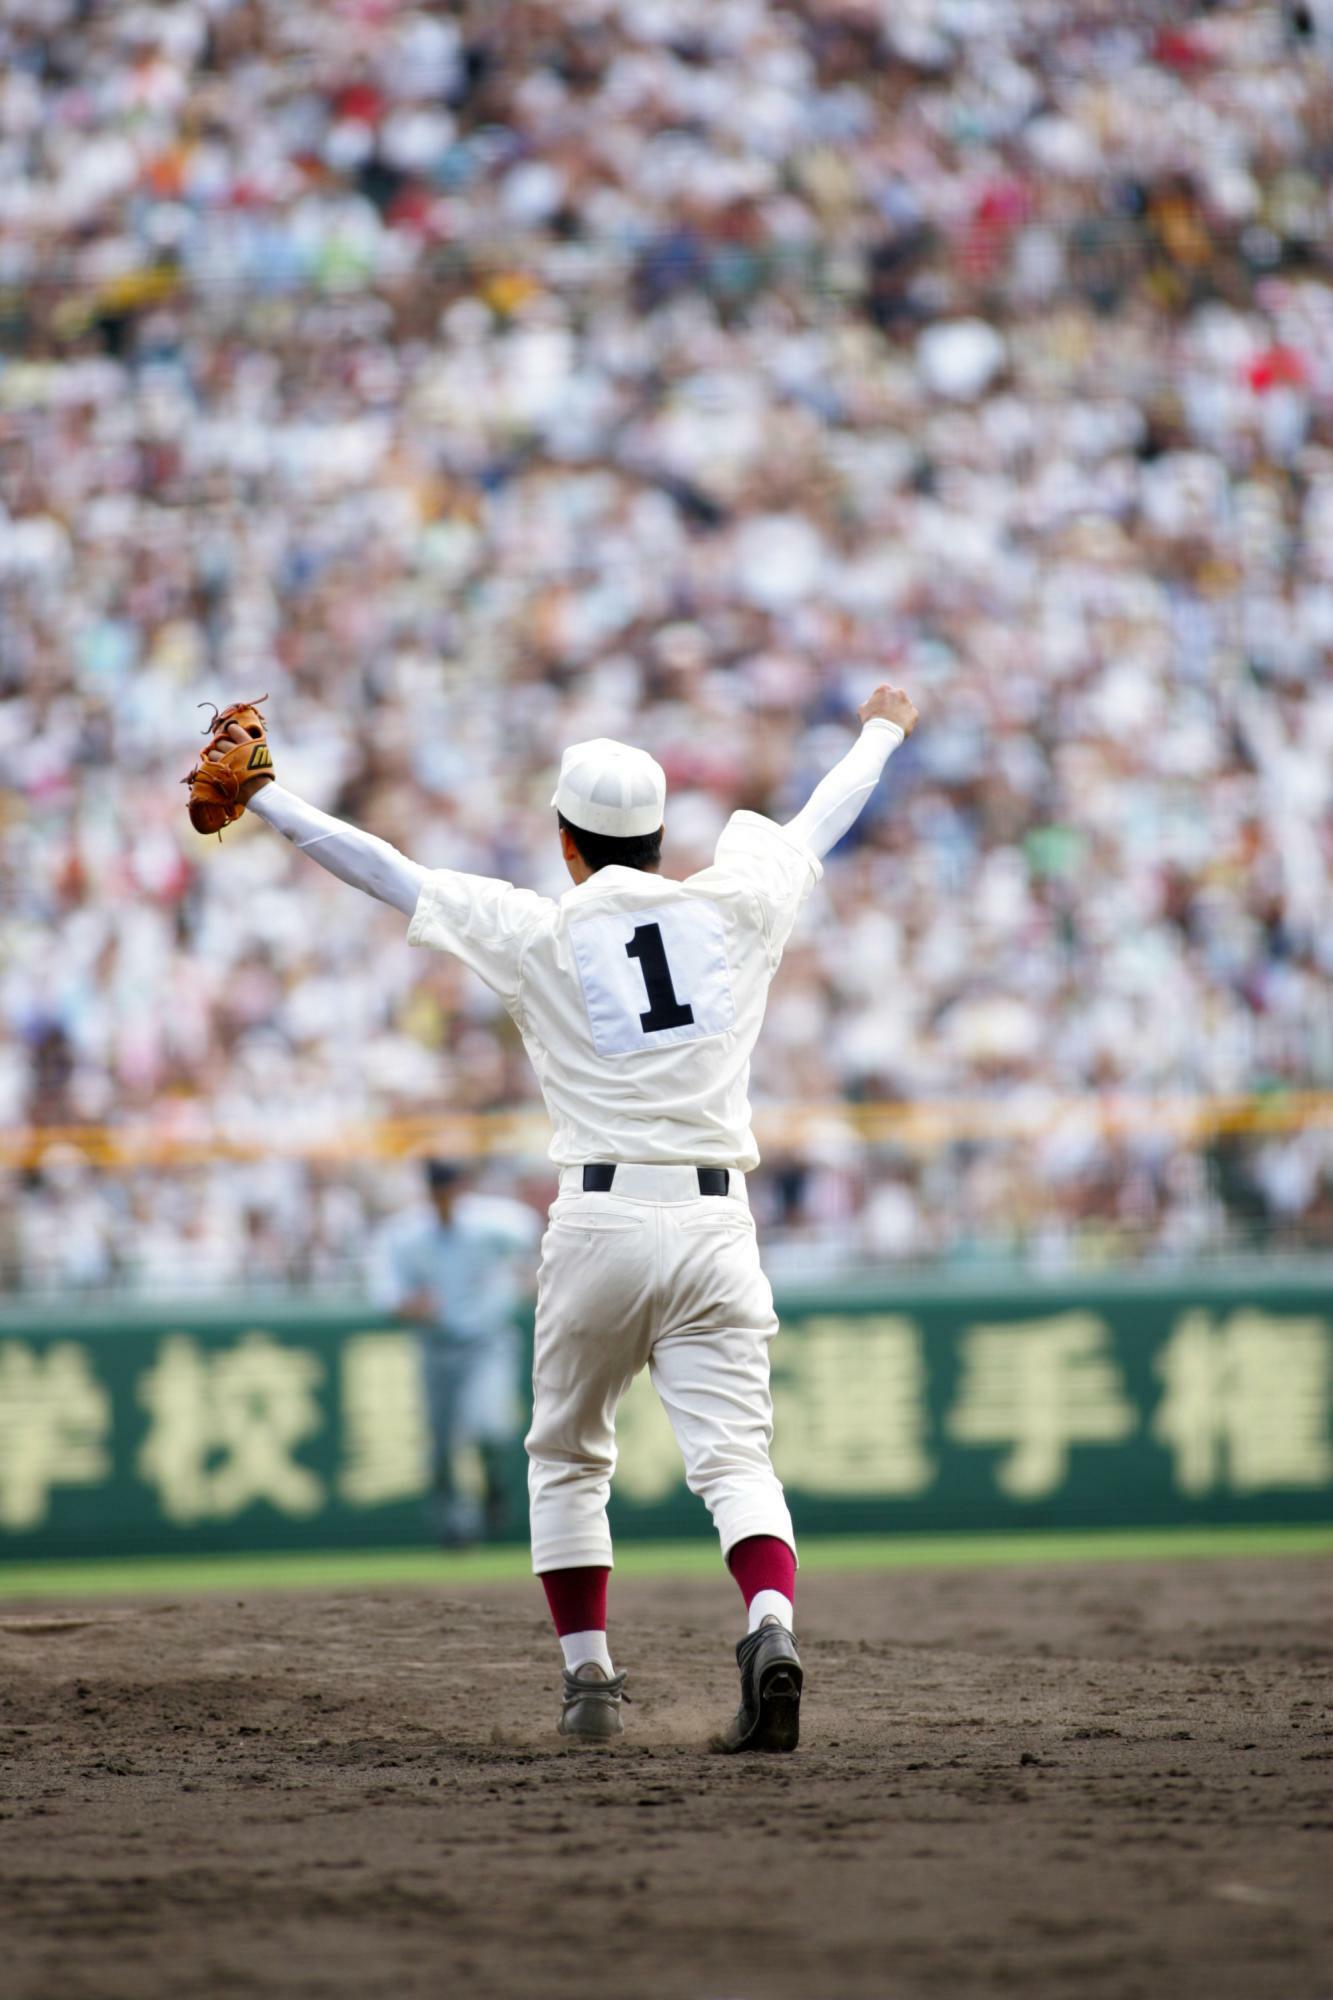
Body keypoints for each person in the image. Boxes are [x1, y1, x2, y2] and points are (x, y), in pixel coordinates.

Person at [192, 683, 919, 1749]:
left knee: (568, 1454)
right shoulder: (739, 902)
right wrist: (883, 728)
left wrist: (271, 799)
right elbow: (824, 811)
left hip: (602, 1220)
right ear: (661, 836)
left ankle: (590, 1679)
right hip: (719, 1221)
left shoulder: (540, 926)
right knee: (738, 1462)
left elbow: (388, 871)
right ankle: (769, 1622)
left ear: (567, 843)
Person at [373, 1159, 538, 1548]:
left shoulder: (490, 1221)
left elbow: (535, 1234)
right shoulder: (407, 1234)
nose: (444, 1198)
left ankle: (494, 1487)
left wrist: (528, 1271)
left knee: (490, 1426)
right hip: (436, 1345)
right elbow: (386, 1295)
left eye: (449, 1189)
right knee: (442, 1443)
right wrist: (409, 1305)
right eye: (437, 1191)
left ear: (460, 1189)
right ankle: (454, 1525)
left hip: (486, 1342)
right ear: (428, 1193)